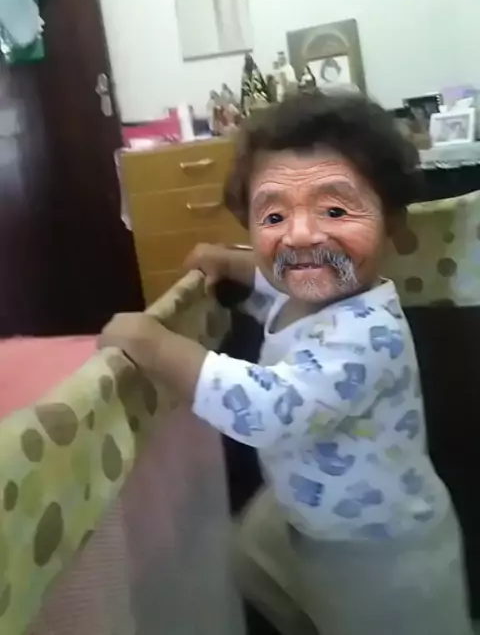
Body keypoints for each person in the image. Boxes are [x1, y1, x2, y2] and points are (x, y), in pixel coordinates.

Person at [100, 92, 472, 635]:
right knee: (250, 555)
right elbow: (273, 292)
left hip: (383, 557)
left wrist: (157, 347)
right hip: (311, 519)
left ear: (392, 222)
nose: (300, 235)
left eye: (334, 210)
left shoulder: (366, 335)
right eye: (274, 215)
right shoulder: (307, 293)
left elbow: (269, 410)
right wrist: (232, 263)